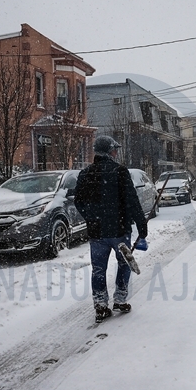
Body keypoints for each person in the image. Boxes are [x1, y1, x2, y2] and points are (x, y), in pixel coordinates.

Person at [74, 135, 149, 323]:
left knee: (98, 269)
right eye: (114, 149)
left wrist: (92, 217)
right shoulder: (120, 171)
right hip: (119, 230)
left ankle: (100, 306)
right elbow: (132, 200)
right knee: (124, 263)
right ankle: (120, 300)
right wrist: (141, 225)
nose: (116, 152)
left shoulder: (85, 173)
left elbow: (79, 202)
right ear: (109, 151)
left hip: (97, 232)